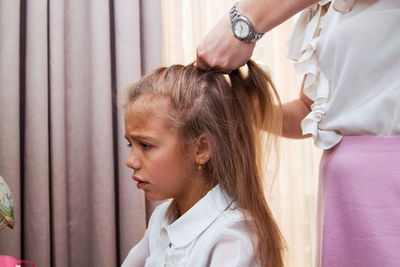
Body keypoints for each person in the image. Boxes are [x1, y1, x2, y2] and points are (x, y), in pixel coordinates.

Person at [196, 0, 400, 266]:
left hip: (388, 183)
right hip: (344, 191)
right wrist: (246, 106)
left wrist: (241, 23)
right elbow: (310, 111)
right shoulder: (329, 11)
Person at [121, 60, 285, 267]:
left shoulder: (233, 238)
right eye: (130, 145)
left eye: (145, 145)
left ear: (201, 149)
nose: (130, 161)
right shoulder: (162, 218)